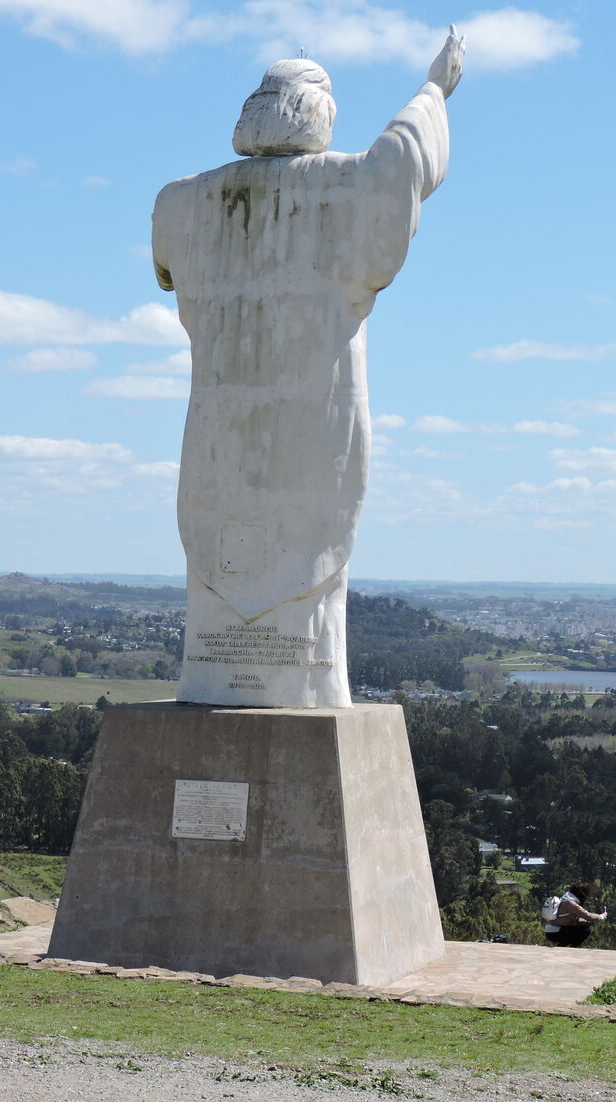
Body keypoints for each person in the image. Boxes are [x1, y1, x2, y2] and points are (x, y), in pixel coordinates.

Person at [153, 30, 467, 708]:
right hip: (312, 438)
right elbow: (402, 160)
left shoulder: (179, 202)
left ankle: (217, 677)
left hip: (216, 446)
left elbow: (168, 271)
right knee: (307, 578)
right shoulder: (340, 188)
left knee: (222, 568)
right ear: (315, 113)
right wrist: (434, 88)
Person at [543, 882, 608, 947]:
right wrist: (601, 916)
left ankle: (561, 947)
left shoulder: (565, 899)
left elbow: (575, 920)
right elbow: (588, 916)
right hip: (555, 932)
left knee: (583, 926)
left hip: (552, 931)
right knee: (585, 929)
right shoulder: (570, 903)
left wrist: (589, 922)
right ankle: (571, 948)